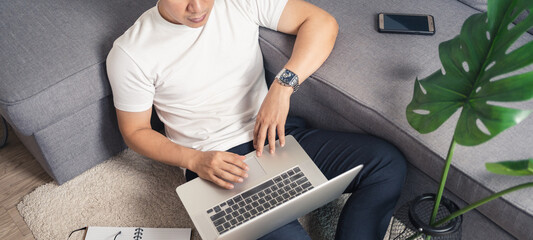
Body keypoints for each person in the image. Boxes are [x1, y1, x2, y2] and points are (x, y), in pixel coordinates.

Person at [106, 0, 406, 239]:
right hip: (216, 164)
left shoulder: (237, 2)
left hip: (278, 136)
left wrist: (282, 87)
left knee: (386, 163)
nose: (197, 7)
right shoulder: (130, 53)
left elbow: (321, 22)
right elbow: (135, 131)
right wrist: (195, 160)